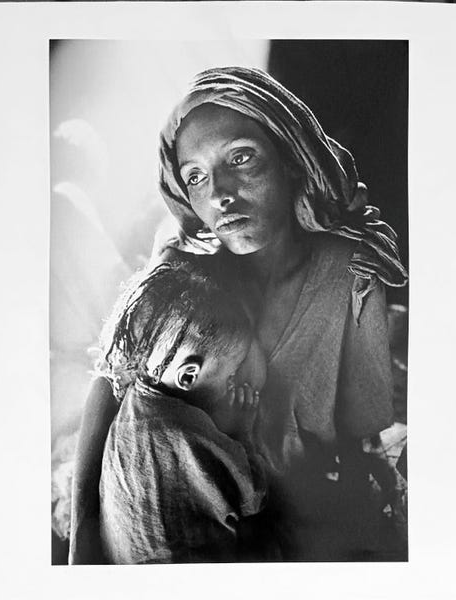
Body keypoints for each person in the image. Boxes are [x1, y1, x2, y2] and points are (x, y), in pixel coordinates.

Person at [70, 66, 408, 564]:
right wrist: (83, 526)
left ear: (289, 159)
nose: (219, 194)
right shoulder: (184, 267)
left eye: (241, 158)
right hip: (182, 511)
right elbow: (115, 376)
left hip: (285, 520)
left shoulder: (350, 274)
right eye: (196, 177)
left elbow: (362, 435)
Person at [95, 262, 268, 564]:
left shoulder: (131, 406)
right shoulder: (189, 434)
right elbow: (253, 497)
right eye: (229, 375)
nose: (232, 384)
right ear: (188, 376)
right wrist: (242, 434)